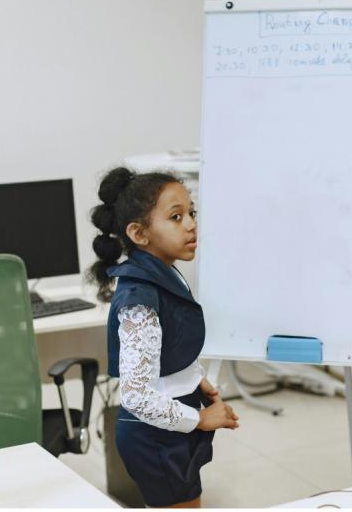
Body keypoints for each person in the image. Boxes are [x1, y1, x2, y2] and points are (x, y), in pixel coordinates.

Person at [87, 167, 239, 508]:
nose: (190, 224)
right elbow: (137, 395)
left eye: (191, 213)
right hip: (154, 434)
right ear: (139, 234)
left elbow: (169, 342)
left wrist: (194, 379)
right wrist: (199, 419)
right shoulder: (140, 300)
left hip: (172, 417)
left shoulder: (164, 272)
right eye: (175, 216)